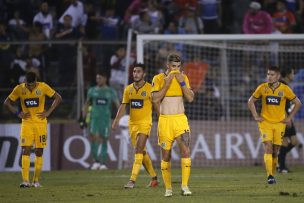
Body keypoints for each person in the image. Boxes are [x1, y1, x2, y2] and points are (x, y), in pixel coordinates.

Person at [3, 71, 62, 187]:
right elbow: (6, 103)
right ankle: (25, 181)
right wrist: (17, 113)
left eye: (33, 84)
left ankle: (36, 181)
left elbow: (58, 98)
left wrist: (48, 112)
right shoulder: (19, 89)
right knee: (26, 149)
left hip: (40, 123)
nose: (31, 86)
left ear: (36, 81)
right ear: (25, 82)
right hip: (27, 123)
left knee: (39, 151)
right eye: (29, 85)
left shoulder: (43, 87)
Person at [248, 66, 302, 184]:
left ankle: (273, 172)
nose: (269, 77)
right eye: (268, 74)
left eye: (272, 75)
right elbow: (250, 101)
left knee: (276, 150)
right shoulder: (262, 88)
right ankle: (270, 176)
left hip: (279, 124)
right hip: (265, 123)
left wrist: (289, 118)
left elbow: (298, 103)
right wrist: (256, 116)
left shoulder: (285, 89)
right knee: (268, 146)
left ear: (277, 76)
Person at [151, 54, 194, 197]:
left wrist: (182, 83)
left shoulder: (183, 78)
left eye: (178, 66)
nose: (176, 69)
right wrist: (167, 83)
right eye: (173, 66)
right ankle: (168, 188)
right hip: (165, 121)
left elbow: (190, 98)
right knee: (166, 156)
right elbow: (155, 98)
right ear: (167, 66)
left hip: (180, 119)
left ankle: (185, 186)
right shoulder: (158, 79)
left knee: (186, 151)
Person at [112, 63, 158, 189]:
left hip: (145, 123)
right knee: (141, 152)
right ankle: (154, 178)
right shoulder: (128, 89)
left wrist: (163, 120)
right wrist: (116, 120)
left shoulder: (150, 88)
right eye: (134, 71)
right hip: (132, 124)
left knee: (137, 150)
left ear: (144, 74)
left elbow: (156, 106)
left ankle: (132, 180)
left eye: (138, 71)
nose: (135, 74)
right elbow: (123, 105)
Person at [83, 72, 120, 170]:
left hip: (106, 119)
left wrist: (118, 118)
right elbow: (86, 104)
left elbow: (117, 104)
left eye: (99, 78)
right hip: (94, 118)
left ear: (105, 78)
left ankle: (103, 163)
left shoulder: (111, 91)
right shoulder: (92, 90)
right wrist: (83, 118)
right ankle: (96, 161)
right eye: (97, 78)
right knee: (94, 138)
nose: (97, 80)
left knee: (104, 139)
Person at [278, 67, 298, 173]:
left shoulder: (286, 85)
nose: (293, 75)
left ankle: (278, 161)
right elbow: (280, 103)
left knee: (294, 141)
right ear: (288, 75)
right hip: (283, 117)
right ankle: (281, 167)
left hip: (288, 115)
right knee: (285, 142)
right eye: (293, 73)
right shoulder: (282, 85)